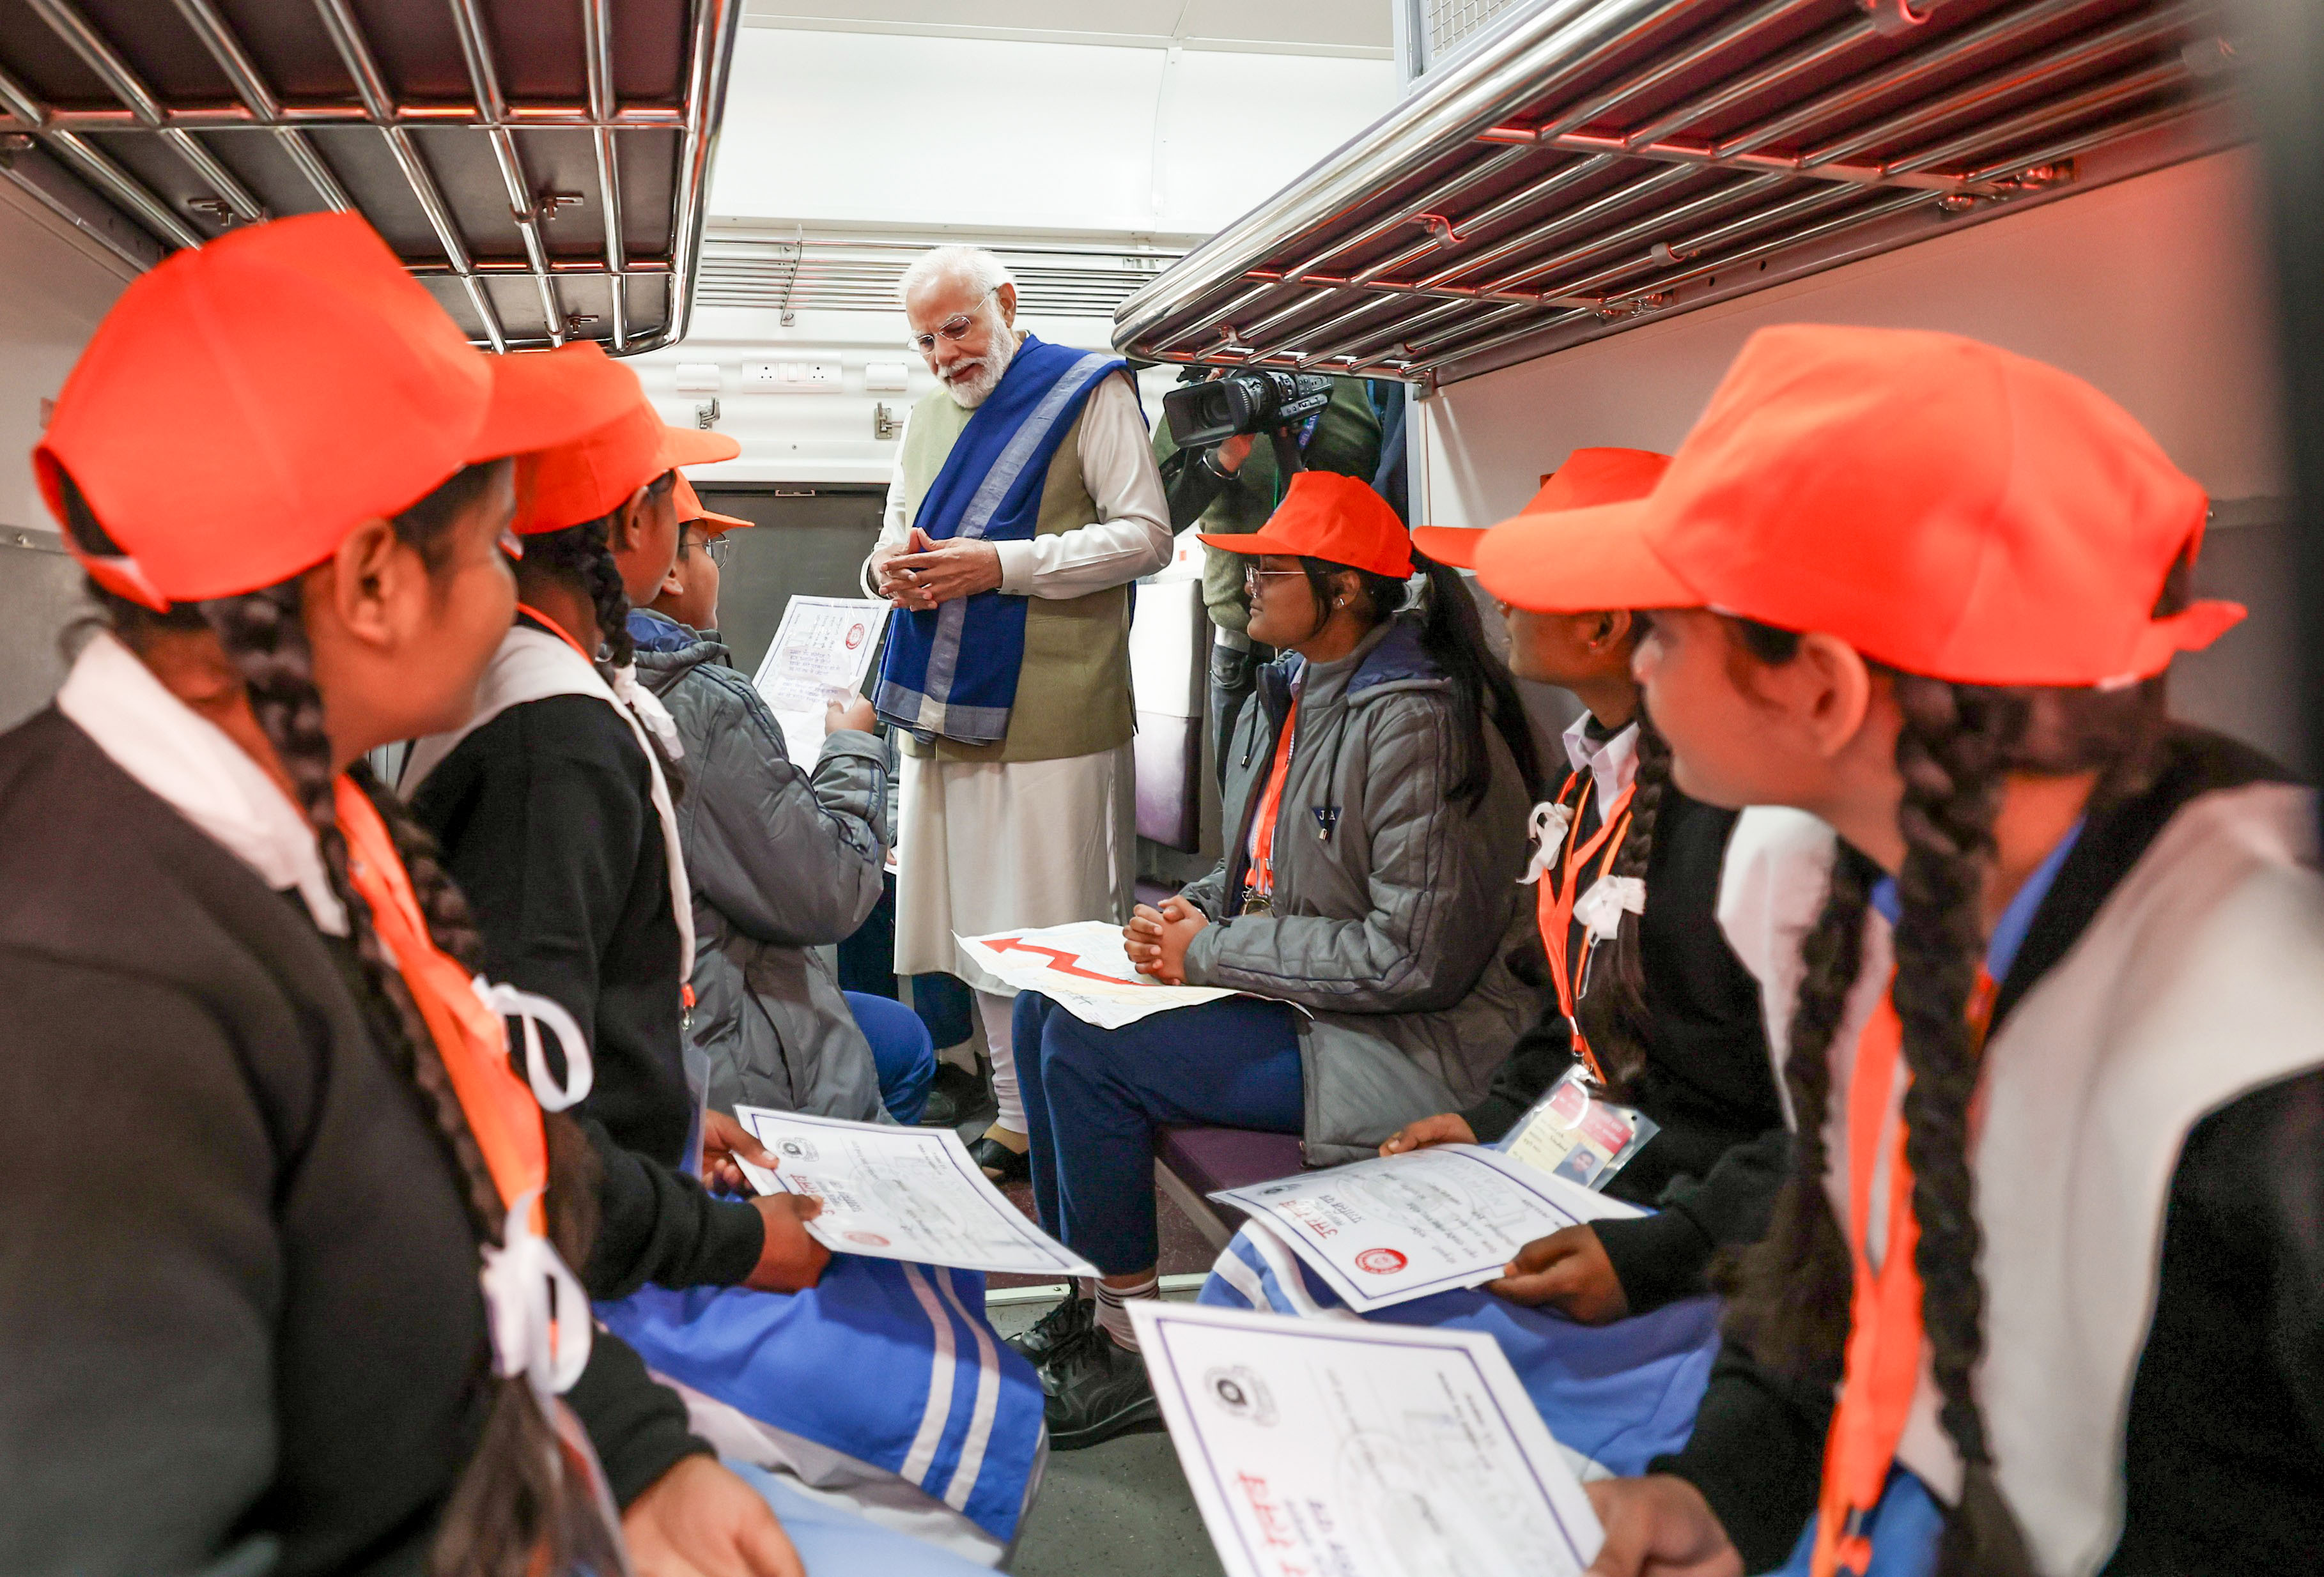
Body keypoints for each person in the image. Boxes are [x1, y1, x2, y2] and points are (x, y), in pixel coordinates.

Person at [0, 212, 801, 1577]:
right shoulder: (90, 988)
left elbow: (456, 1166)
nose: (516, 594)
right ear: (374, 582)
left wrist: (632, 1443)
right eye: (497, 552)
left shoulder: (311, 811)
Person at [1500, 327, 2323, 1577]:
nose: (1641, 662)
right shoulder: (1846, 884)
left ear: (1820, 688)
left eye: (1666, 626)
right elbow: (1843, 1243)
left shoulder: (2262, 1035)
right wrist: (1723, 1488)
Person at [405, 382, 1041, 1567]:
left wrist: (672, 1126)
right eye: (677, 510)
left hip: (623, 1192)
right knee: (965, 1409)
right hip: (590, 1274)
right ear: (631, 528)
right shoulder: (559, 740)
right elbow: (521, 1116)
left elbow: (570, 1043)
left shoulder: (541, 694)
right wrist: (729, 1242)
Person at [1011, 470, 1545, 1448]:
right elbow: (1260, 860)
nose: (1248, 582)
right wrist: (1197, 906)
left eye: (1271, 568)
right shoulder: (1291, 688)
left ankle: (1131, 1351)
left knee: (1090, 1053)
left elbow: (1411, 958)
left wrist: (1212, 949)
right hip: (1312, 1004)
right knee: (1042, 1011)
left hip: (1410, 1041)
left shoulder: (1415, 719)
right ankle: (1093, 1302)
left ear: (1344, 591)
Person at [1370, 445, 1788, 1323]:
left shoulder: (1741, 820)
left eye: (1527, 580)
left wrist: (1660, 1250)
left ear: (1603, 628)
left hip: (1698, 1221)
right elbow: (1580, 1022)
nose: (1500, 600)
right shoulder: (1586, 781)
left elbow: (1769, 1119)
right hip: (1614, 1175)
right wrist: (1501, 1119)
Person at [868, 245, 1171, 1183]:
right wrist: (885, 571)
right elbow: (891, 533)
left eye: (958, 327)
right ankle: (1013, 1114)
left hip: (1056, 706)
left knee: (1049, 927)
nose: (946, 355)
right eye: (926, 340)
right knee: (972, 925)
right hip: (942, 706)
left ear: (1006, 303)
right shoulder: (923, 418)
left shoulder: (1088, 392)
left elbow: (1148, 537)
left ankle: (1072, 1111)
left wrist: (1001, 566)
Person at [631, 478, 934, 1125]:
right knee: (902, 1046)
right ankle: (839, 1212)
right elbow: (829, 895)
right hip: (708, 1033)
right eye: (709, 548)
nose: (717, 566)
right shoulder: (704, 702)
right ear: (670, 570)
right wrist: (850, 750)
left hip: (648, 1010)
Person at [1152, 369, 1384, 773]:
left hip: (1332, 638)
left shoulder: (1335, 372)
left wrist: (1290, 442)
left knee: (1327, 802)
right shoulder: (1205, 392)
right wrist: (1222, 462)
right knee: (1244, 817)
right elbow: (1157, 521)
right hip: (1241, 644)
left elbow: (1362, 478)